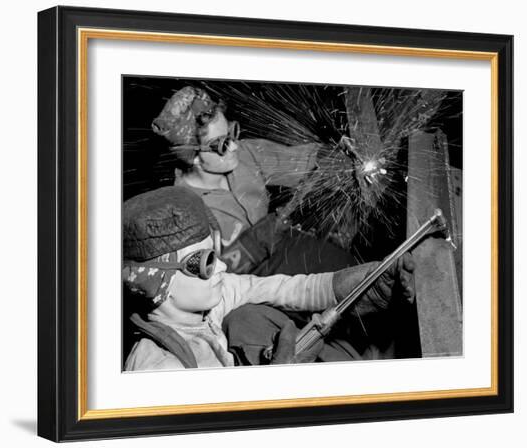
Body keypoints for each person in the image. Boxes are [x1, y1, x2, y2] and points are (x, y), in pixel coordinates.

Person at [123, 186, 415, 370]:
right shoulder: (161, 369)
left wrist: (371, 281)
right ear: (156, 284)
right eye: (206, 262)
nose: (223, 267)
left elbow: (286, 289)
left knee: (248, 319)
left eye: (216, 252)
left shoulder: (209, 306)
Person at [151, 86, 354, 276]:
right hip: (241, 295)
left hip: (281, 260)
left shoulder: (245, 155)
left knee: (344, 265)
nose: (234, 147)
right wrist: (251, 244)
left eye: (231, 133)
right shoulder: (183, 212)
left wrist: (332, 154)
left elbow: (298, 161)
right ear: (194, 157)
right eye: (221, 144)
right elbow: (208, 283)